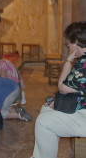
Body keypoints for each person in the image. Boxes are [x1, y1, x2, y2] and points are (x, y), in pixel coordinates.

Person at [32, 21, 86, 158]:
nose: (67, 44)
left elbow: (62, 87)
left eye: (69, 42)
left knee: (43, 122)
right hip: (82, 107)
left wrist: (68, 60)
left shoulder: (84, 64)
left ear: (77, 42)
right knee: (46, 109)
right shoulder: (82, 60)